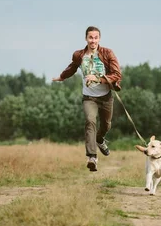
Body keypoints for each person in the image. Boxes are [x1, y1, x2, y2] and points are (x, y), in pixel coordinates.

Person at [52, 26, 122, 172]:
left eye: (96, 37)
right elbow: (72, 67)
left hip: (106, 97)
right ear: (86, 38)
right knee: (90, 121)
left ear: (99, 39)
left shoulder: (107, 53)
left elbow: (117, 74)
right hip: (89, 97)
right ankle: (92, 157)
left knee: (106, 126)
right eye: (90, 37)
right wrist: (62, 77)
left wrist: (98, 78)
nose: (93, 40)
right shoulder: (79, 55)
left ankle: (100, 139)